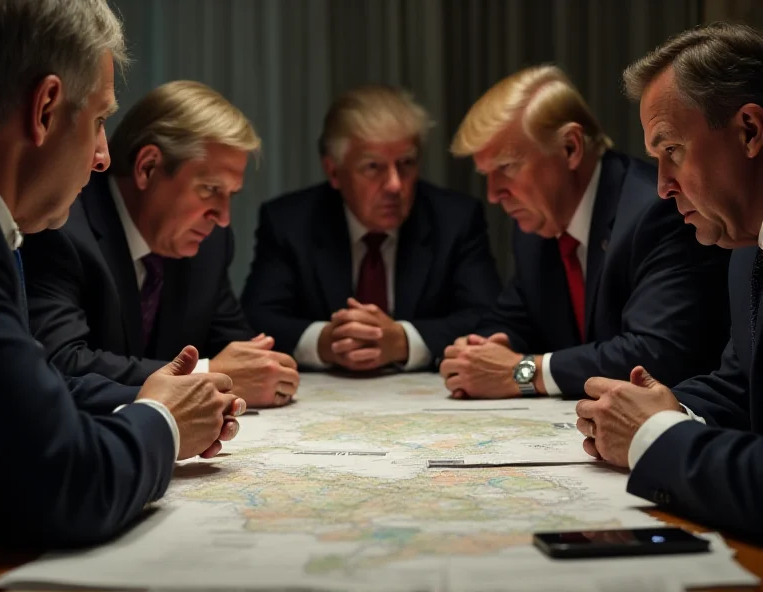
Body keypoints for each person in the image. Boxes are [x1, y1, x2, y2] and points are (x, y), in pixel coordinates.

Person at [0, 0, 243, 547]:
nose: (101, 156)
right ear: (44, 109)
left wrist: (157, 395)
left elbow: (39, 386)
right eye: (97, 121)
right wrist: (163, 421)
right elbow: (66, 484)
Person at [575, 22, 763, 541]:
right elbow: (738, 385)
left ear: (749, 131)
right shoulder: (745, 251)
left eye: (673, 150)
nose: (662, 187)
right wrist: (657, 407)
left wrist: (653, 435)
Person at [440, 65, 730, 399]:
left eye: (506, 167)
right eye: (486, 174)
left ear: (571, 148)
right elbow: (514, 319)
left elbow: (655, 353)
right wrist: (481, 349)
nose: (493, 194)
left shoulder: (657, 210)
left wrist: (523, 372)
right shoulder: (537, 227)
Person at [21, 81, 299, 408]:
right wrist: (207, 372)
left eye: (230, 194)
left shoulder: (209, 242)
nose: (223, 218)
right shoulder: (63, 225)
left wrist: (264, 368)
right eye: (210, 189)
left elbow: (233, 347)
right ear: (148, 167)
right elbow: (61, 363)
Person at [242, 85, 502, 372]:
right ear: (333, 171)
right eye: (373, 167)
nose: (394, 185)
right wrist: (325, 341)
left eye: (406, 163)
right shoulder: (289, 222)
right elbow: (257, 319)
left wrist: (404, 341)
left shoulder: (455, 219)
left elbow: (488, 318)